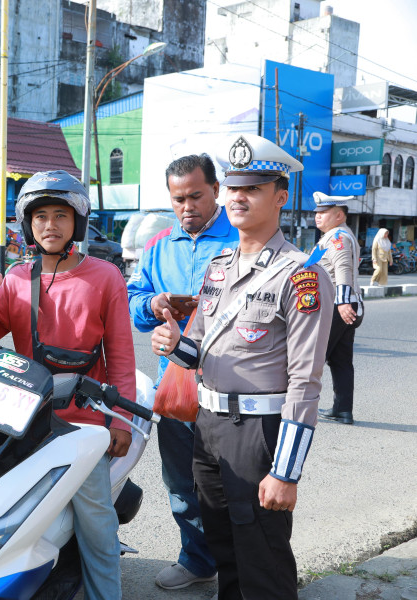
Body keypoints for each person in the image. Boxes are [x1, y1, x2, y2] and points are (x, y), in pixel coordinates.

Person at [151, 134, 333, 599]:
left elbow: (305, 381)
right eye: (233, 187)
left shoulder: (302, 275)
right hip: (208, 426)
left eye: (252, 188)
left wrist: (286, 472)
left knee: (262, 558)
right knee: (225, 549)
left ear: (280, 195)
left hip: (258, 432)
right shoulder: (218, 266)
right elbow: (199, 352)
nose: (238, 197)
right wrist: (174, 345)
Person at [0, 170, 136, 600]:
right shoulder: (16, 279)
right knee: (6, 517)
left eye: (60, 215)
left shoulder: (105, 277)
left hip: (84, 424)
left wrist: (122, 421)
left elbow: (120, 355)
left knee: (97, 525)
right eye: (40, 216)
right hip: (27, 420)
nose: (50, 225)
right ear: (28, 225)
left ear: (77, 223)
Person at [126, 154, 235, 590]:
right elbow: (134, 302)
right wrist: (153, 305)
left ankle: (239, 569)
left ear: (215, 191)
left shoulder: (239, 240)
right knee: (180, 481)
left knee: (232, 483)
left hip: (229, 384)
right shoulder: (159, 247)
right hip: (173, 386)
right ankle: (197, 559)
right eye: (178, 199)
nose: (187, 206)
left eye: (195, 195)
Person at [313, 192, 363, 425]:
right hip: (343, 304)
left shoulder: (337, 237)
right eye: (317, 213)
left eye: (323, 213)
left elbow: (342, 268)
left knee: (312, 357)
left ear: (339, 215)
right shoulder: (339, 234)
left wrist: (343, 302)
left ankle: (298, 407)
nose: (317, 217)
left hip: (336, 304)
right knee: (341, 360)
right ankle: (343, 410)